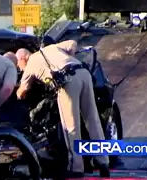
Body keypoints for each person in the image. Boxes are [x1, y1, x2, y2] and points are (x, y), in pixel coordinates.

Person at [15, 40, 110, 178]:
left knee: (71, 127)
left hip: (68, 82)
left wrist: (17, 95)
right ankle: (104, 163)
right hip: (83, 73)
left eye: (18, 64)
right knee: (92, 120)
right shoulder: (50, 48)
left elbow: (22, 92)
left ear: (23, 58)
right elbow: (73, 43)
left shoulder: (31, 64)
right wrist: (68, 61)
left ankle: (76, 168)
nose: (19, 67)